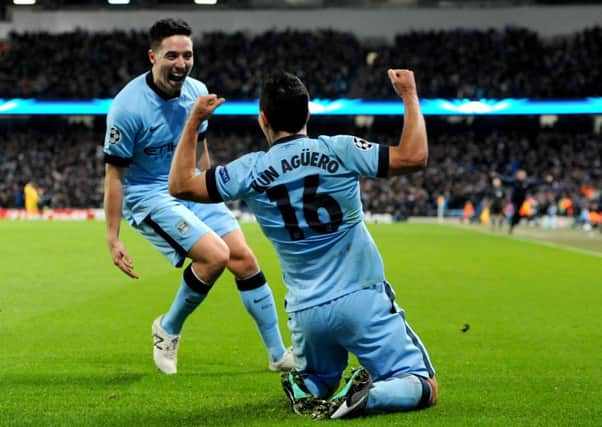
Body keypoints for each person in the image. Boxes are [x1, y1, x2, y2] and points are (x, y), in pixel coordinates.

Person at [168, 69, 438, 419]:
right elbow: (415, 157)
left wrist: (193, 122)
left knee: (318, 379)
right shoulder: (340, 149)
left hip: (306, 313)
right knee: (425, 384)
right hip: (361, 299)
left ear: (263, 119)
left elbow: (180, 185)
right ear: (308, 113)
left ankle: (307, 385)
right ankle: (369, 395)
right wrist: (409, 96)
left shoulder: (249, 170)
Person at [102, 18, 293, 375]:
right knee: (215, 257)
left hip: (190, 186)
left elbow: (201, 149)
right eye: (171, 55)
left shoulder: (197, 91)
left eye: (187, 55)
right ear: (152, 56)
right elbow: (115, 175)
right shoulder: (126, 108)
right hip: (149, 195)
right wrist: (113, 237)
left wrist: (210, 190)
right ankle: (168, 328)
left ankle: (278, 355)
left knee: (245, 260)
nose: (181, 64)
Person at [497, 169, 552, 234]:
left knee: (518, 216)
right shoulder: (514, 181)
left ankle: (511, 227)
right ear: (517, 175)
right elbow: (506, 180)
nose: (521, 176)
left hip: (521, 202)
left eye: (523, 174)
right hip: (513, 201)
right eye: (520, 174)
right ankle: (502, 219)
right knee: (511, 212)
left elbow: (537, 182)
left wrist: (546, 180)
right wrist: (497, 175)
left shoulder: (527, 183)